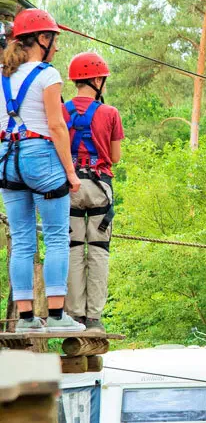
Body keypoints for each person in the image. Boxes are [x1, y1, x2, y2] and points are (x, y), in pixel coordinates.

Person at [0, 9, 83, 333]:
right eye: (55, 40)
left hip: (7, 157)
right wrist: (72, 173)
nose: (58, 48)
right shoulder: (48, 74)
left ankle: (25, 321)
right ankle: (57, 315)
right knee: (56, 236)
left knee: (21, 240)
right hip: (41, 156)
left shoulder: (3, 75)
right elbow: (56, 126)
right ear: (42, 39)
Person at [63, 52, 123, 333]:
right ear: (97, 79)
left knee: (74, 250)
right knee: (98, 251)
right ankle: (94, 319)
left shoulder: (62, 111)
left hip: (69, 185)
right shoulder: (110, 113)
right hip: (99, 187)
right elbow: (115, 156)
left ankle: (74, 316)